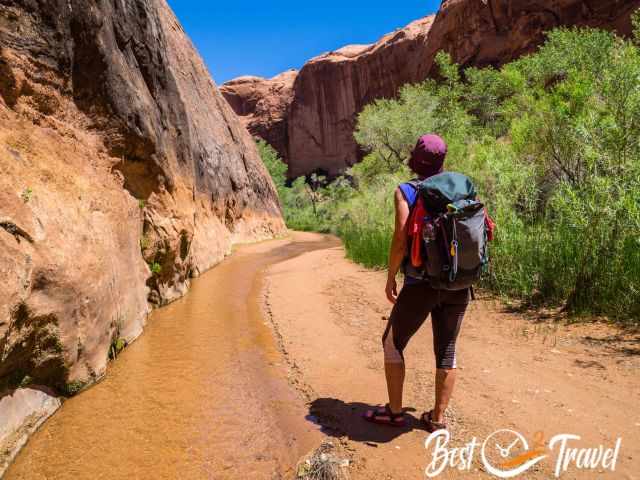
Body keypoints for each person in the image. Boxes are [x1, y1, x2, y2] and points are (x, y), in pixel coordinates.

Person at [364, 134, 469, 432]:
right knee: (447, 350)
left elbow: (400, 238)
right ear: (442, 161)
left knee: (392, 343)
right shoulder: (461, 186)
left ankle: (395, 413)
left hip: (421, 284)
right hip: (459, 282)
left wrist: (390, 276)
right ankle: (437, 418)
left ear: (414, 159)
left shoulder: (407, 190)